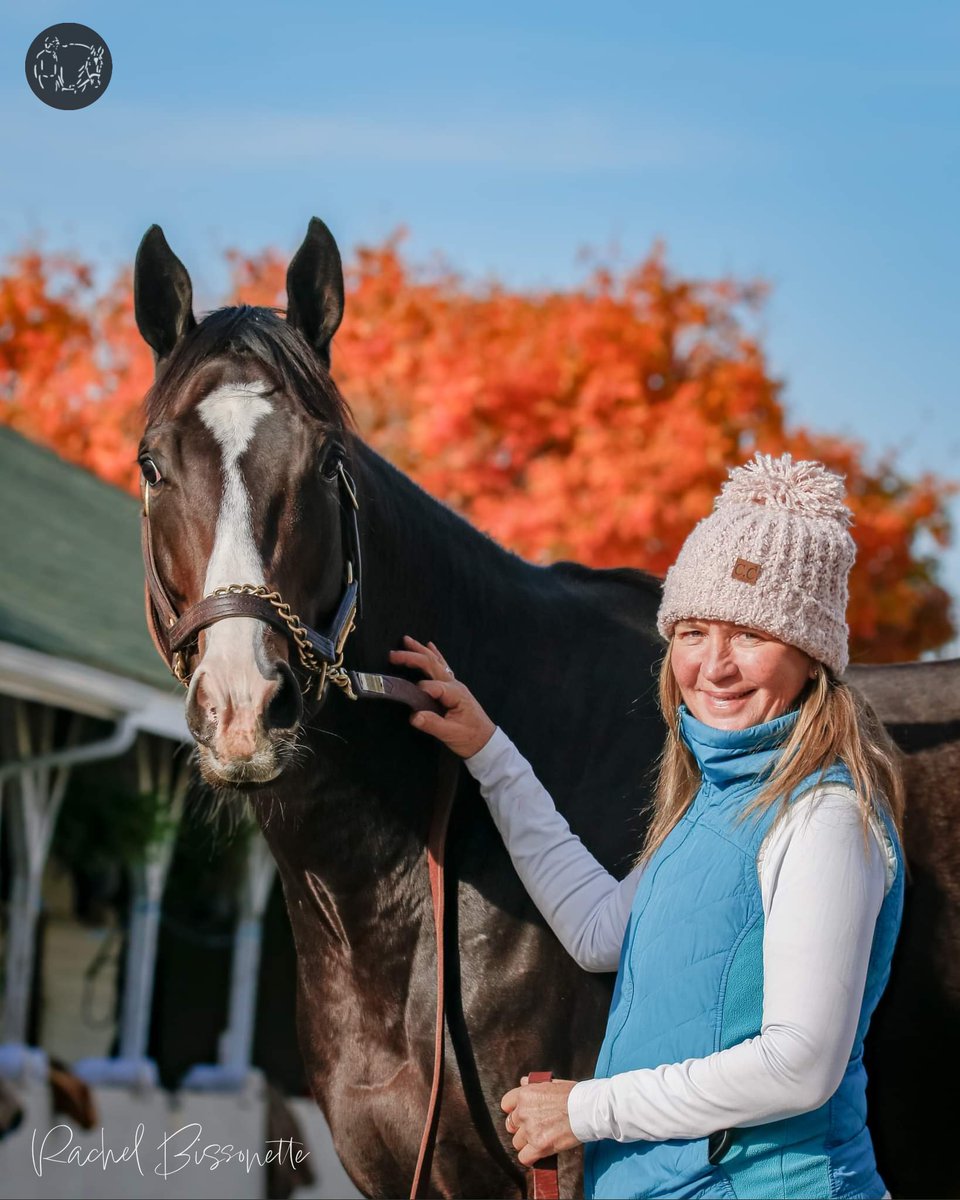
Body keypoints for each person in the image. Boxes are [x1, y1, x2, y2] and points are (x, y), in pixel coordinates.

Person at [389, 452, 905, 1200]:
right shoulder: (712, 804)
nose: (714, 666)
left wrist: (584, 1108)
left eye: (750, 635)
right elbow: (600, 930)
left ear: (810, 658)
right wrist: (490, 753)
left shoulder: (823, 815)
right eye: (693, 632)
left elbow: (802, 1064)